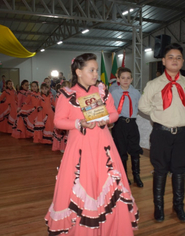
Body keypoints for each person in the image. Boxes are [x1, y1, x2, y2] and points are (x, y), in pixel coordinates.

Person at [45, 53, 139, 235]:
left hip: (103, 146)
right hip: (80, 148)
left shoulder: (102, 92)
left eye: (96, 70)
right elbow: (58, 121)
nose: (96, 74)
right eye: (92, 70)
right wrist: (78, 123)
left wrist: (106, 120)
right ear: (78, 72)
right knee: (82, 186)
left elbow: (114, 113)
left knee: (108, 185)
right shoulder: (67, 94)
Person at [138, 43, 185, 223]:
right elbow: (143, 106)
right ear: (164, 61)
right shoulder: (154, 84)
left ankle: (178, 206)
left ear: (182, 62)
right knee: (160, 170)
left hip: (183, 134)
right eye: (171, 57)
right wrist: (158, 115)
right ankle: (158, 207)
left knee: (179, 170)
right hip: (161, 134)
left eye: (178, 58)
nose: (175, 60)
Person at [111, 67, 144, 187]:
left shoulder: (136, 93)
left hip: (132, 124)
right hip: (119, 124)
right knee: (121, 151)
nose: (126, 80)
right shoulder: (114, 93)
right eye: (123, 78)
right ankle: (124, 176)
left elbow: (141, 107)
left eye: (128, 78)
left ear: (131, 79)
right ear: (118, 79)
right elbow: (110, 109)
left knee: (135, 150)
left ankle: (137, 176)